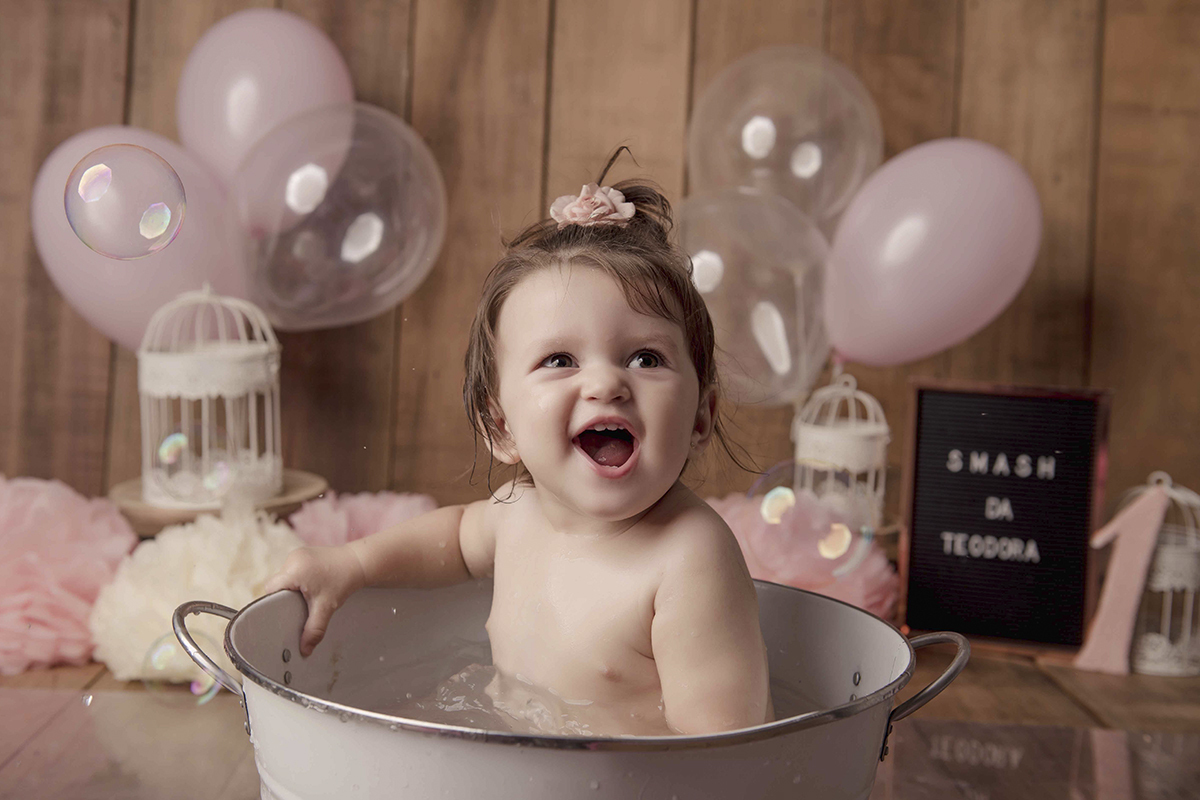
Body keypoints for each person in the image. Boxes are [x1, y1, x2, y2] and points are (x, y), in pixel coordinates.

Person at [265, 156, 773, 737]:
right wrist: (349, 564)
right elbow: (454, 540)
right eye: (560, 360)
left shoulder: (690, 558)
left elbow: (724, 757)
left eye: (646, 358)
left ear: (702, 417)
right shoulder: (518, 513)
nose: (607, 383)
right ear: (501, 426)